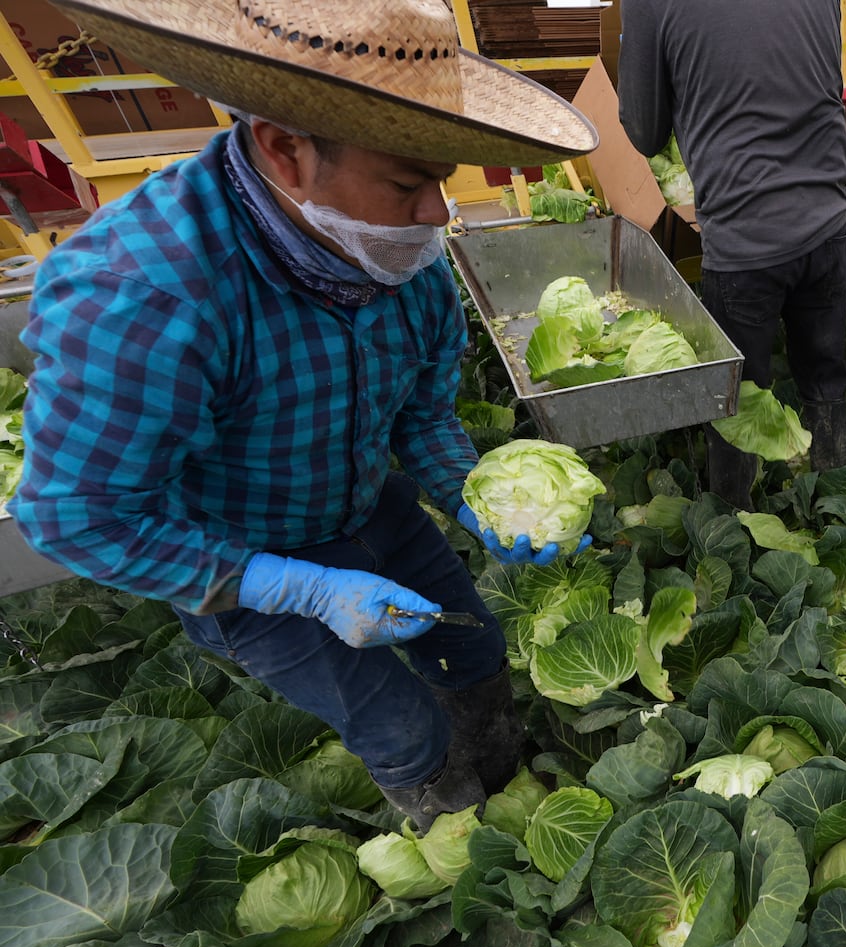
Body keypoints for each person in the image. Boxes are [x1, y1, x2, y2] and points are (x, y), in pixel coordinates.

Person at [11, 0, 599, 831]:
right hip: (242, 554)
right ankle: (443, 809)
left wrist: (473, 495)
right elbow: (76, 516)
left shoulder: (404, 259)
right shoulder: (145, 295)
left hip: (367, 502)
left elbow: (422, 416)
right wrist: (295, 587)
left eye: (441, 180)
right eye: (407, 182)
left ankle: (498, 768)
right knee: (400, 726)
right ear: (284, 148)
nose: (436, 212)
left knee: (473, 652)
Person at [618, 0, 846, 509]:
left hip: (744, 237)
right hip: (829, 219)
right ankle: (836, 505)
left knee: (735, 398)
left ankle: (734, 529)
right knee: (824, 372)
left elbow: (644, 131)